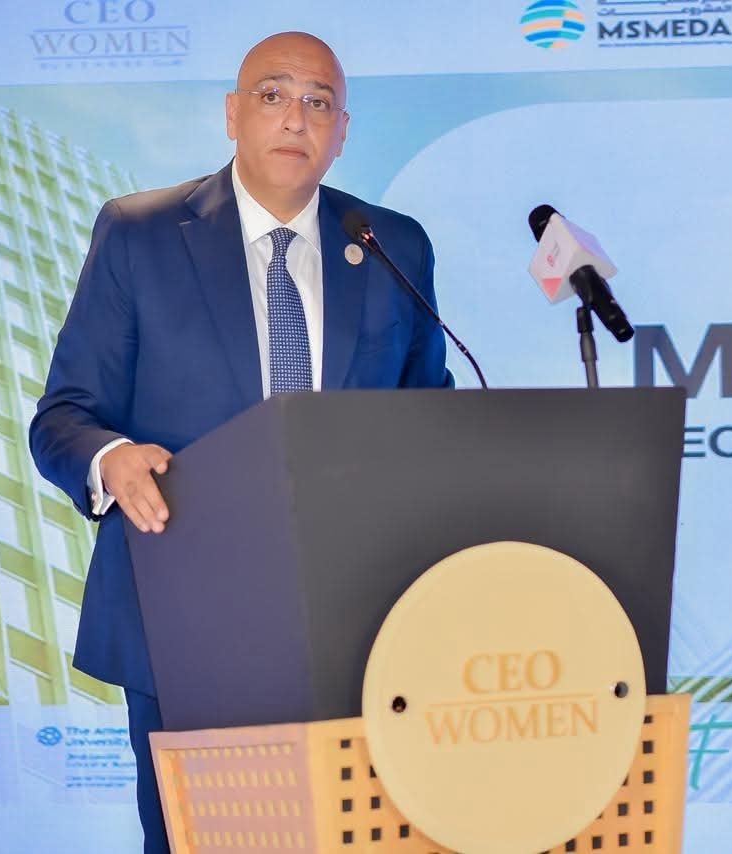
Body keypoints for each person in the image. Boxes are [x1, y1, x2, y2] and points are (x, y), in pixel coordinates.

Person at [29, 32, 452, 852]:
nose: (296, 117)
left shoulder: (393, 245)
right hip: (185, 617)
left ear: (341, 131)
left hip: (362, 624)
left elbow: (428, 419)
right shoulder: (141, 234)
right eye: (273, 95)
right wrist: (110, 458)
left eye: (319, 102)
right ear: (233, 113)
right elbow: (64, 418)